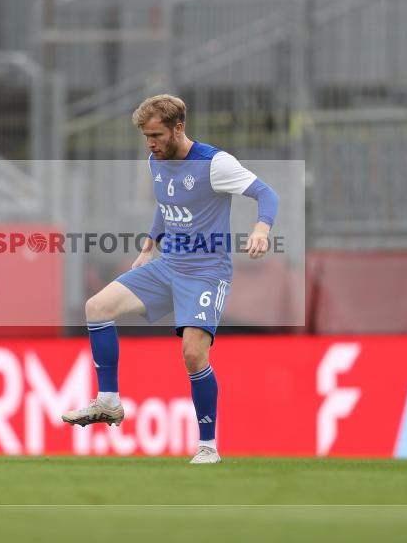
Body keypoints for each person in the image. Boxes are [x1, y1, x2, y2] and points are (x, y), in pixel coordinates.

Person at [61, 94, 279, 464]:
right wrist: (149, 247)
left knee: (193, 354)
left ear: (178, 128)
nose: (150, 143)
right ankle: (110, 402)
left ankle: (208, 445)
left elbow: (266, 193)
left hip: (206, 272)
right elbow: (166, 207)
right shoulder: (155, 160)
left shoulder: (215, 163)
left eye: (156, 135)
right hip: (167, 265)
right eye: (145, 136)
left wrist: (261, 229)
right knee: (97, 307)